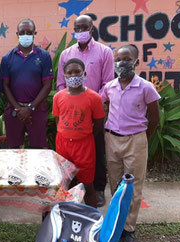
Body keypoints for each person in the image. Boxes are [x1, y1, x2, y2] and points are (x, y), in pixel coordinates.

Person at [101, 44, 160, 242]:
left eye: (126, 59)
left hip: (135, 140)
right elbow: (99, 106)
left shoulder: (146, 87)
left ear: (136, 62)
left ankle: (129, 229)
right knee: (115, 184)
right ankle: (115, 226)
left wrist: (141, 139)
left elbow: (154, 119)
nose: (121, 63)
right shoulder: (109, 87)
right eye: (118, 59)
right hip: (112, 140)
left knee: (132, 187)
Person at [57, 15, 114, 207]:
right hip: (71, 112)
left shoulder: (104, 52)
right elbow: (60, 83)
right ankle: (72, 189)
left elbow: (107, 83)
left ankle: (97, 189)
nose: (81, 31)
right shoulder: (66, 53)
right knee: (69, 161)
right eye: (77, 28)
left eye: (84, 27)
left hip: (93, 110)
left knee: (96, 152)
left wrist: (90, 103)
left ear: (91, 28)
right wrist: (71, 103)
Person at [53, 58, 105, 208]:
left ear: (84, 74)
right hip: (63, 145)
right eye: (69, 73)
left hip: (84, 147)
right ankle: (65, 217)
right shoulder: (58, 97)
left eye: (77, 72)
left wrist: (82, 136)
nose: (73, 75)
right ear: (64, 76)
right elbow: (58, 120)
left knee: (88, 186)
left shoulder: (94, 98)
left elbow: (98, 125)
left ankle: (92, 221)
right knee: (64, 186)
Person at [0, 19, 53, 149]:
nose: (25, 35)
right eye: (22, 32)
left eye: (29, 32)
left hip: (37, 110)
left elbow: (48, 84)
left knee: (38, 149)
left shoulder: (44, 56)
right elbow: (5, 85)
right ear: (17, 34)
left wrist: (30, 108)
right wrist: (18, 109)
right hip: (14, 111)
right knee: (14, 149)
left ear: (35, 33)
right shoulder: (7, 58)